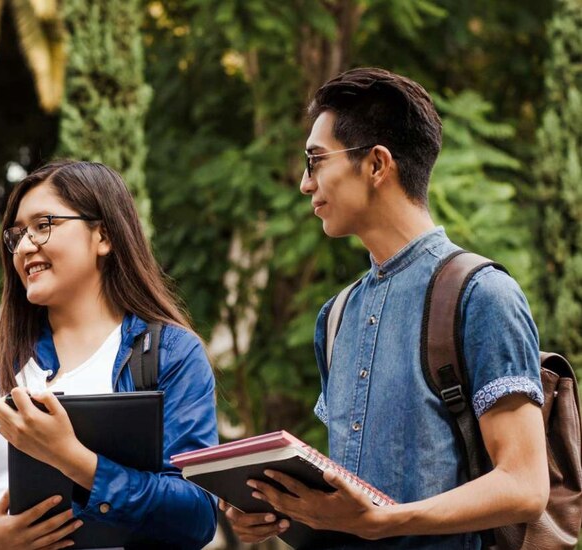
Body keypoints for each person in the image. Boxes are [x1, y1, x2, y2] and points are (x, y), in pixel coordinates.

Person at [220, 68, 548, 547]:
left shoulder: (482, 294)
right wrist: (282, 514)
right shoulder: (335, 317)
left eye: (315, 161)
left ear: (376, 164)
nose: (304, 184)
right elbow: (353, 515)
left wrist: (389, 521)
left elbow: (524, 485)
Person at [0, 160, 219, 549]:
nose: (23, 246)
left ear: (103, 235)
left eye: (43, 225)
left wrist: (74, 459)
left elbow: (198, 514)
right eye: (17, 234)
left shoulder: (171, 353)